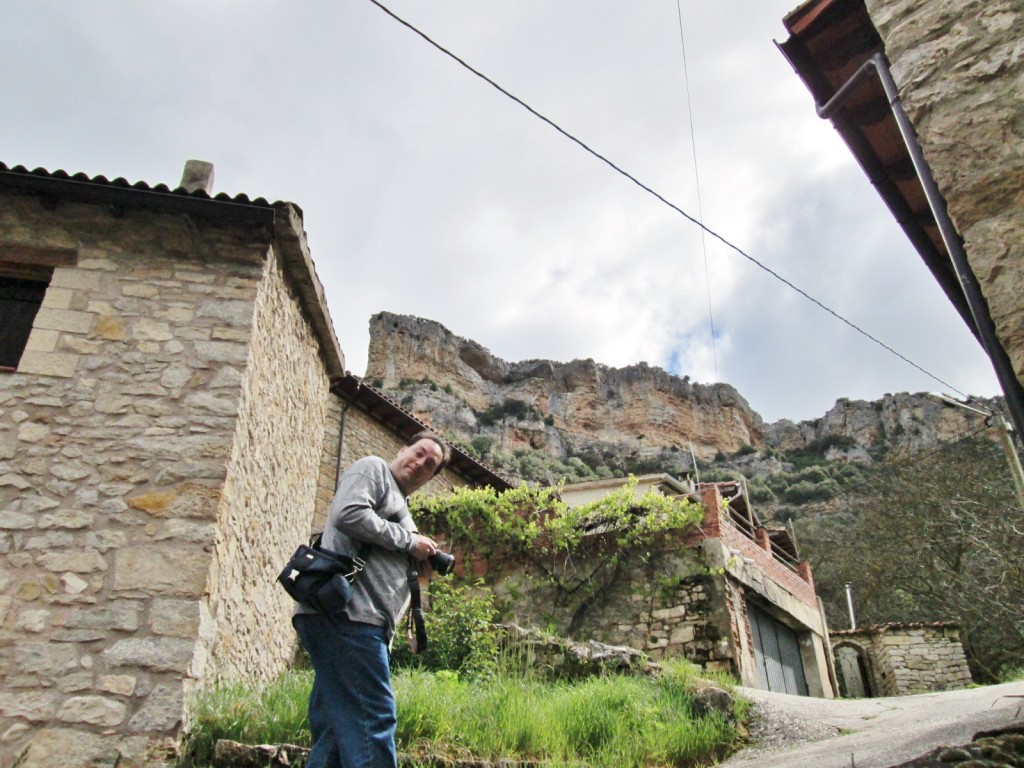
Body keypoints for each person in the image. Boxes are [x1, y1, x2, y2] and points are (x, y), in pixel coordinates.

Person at [292, 431, 451, 768]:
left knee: (336, 734)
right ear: (403, 449)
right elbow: (349, 514)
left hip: (361, 624)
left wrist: (418, 556)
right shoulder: (373, 469)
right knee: (374, 720)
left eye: (430, 465)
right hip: (349, 617)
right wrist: (410, 543)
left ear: (430, 479)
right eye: (419, 453)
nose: (420, 463)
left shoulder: (403, 508)